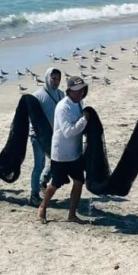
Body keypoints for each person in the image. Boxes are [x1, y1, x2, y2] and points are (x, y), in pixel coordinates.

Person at [38, 76, 89, 224]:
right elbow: (68, 131)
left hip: (75, 153)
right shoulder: (62, 107)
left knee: (79, 181)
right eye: (77, 90)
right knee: (55, 184)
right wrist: (84, 120)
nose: (80, 93)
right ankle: (43, 206)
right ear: (69, 91)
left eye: (82, 90)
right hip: (61, 154)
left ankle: (72, 214)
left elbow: (81, 127)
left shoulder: (79, 103)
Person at [29, 68, 63, 207]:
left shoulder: (61, 95)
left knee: (56, 161)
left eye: (58, 79)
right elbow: (32, 116)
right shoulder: (37, 95)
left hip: (55, 135)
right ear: (47, 78)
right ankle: (34, 195)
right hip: (37, 136)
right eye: (53, 78)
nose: (55, 81)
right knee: (39, 164)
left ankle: (43, 182)